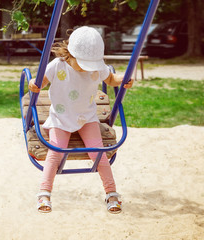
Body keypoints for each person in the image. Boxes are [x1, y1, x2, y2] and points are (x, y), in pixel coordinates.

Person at [28, 26, 134, 214]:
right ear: (70, 54)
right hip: (61, 117)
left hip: (87, 117)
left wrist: (123, 79)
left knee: (99, 153)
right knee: (56, 151)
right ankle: (44, 192)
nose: (87, 68)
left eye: (90, 64)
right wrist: (34, 84)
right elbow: (41, 81)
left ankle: (111, 193)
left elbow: (110, 79)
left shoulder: (97, 67)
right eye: (83, 63)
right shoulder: (57, 65)